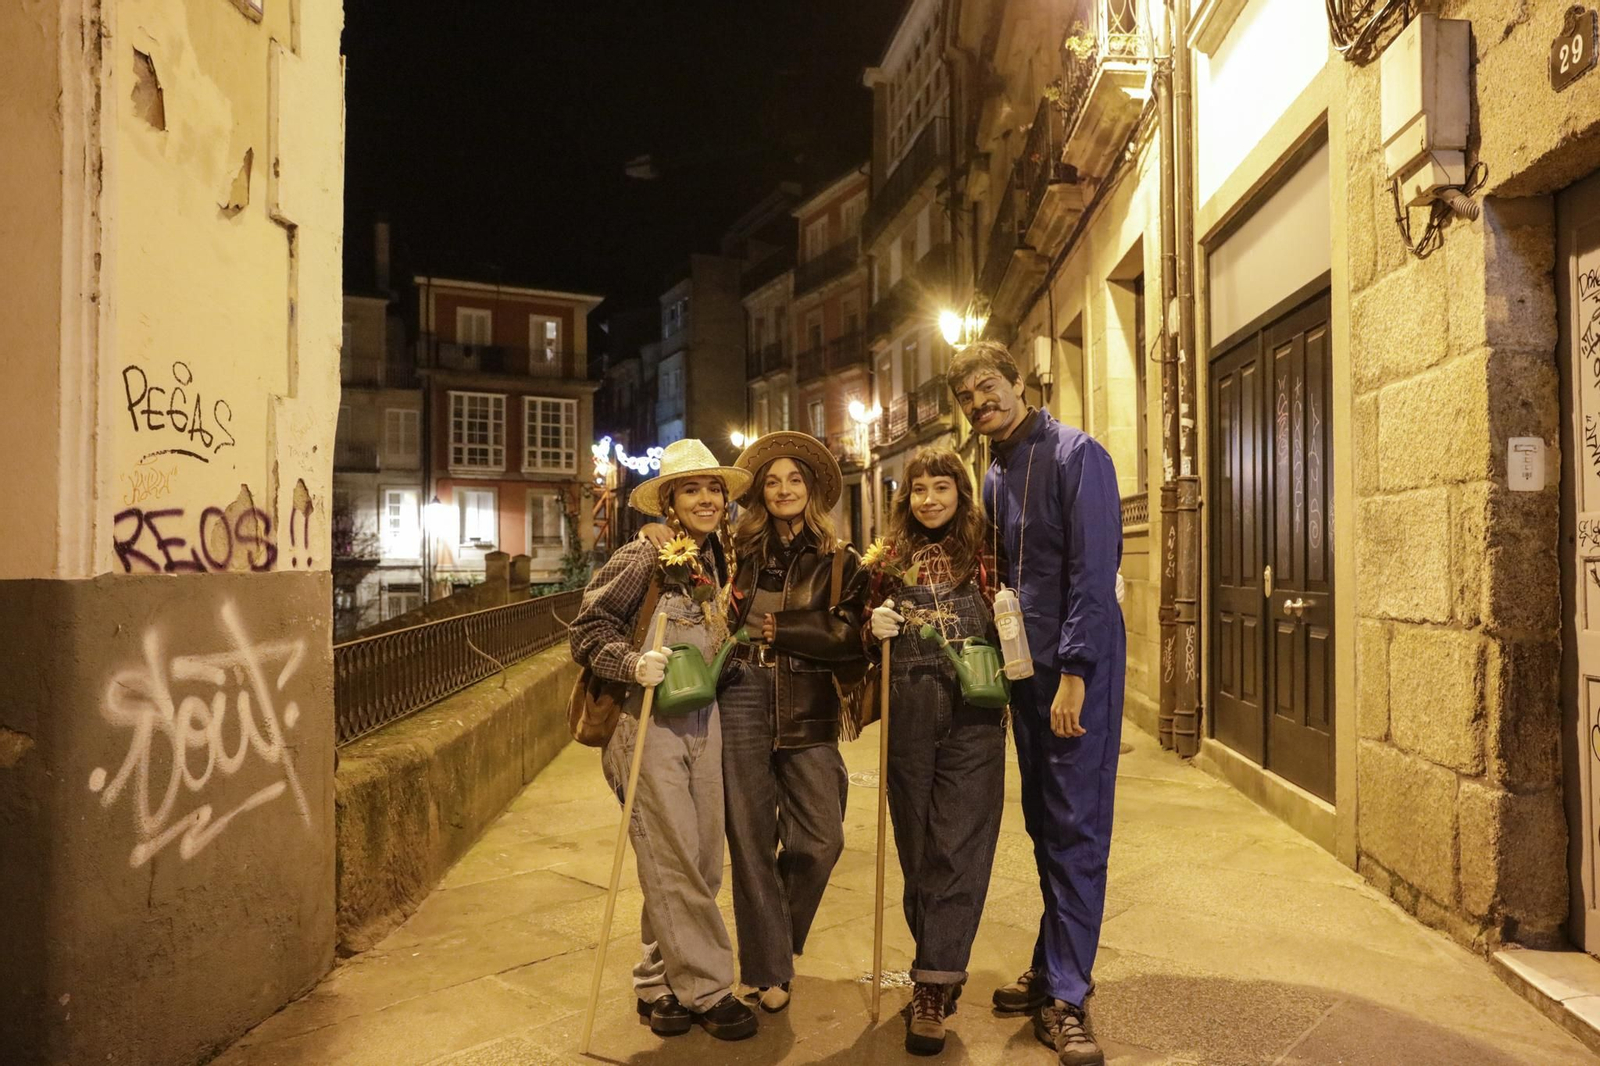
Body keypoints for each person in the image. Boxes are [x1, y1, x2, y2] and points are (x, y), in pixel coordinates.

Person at [645, 432, 868, 1011]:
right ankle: (769, 970)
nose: (784, 489)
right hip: (741, 690)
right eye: (772, 481)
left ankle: (771, 943)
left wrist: (780, 630)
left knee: (822, 837)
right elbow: (680, 558)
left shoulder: (841, 558)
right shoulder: (733, 551)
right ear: (760, 494)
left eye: (795, 479)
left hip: (808, 700)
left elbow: (849, 641)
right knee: (748, 837)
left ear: (813, 488)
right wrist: (652, 532)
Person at [951, 341, 1124, 1066]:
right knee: (1044, 822)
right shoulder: (993, 471)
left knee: (1077, 822)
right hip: (1025, 674)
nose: (979, 402)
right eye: (966, 397)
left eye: (987, 387)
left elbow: (1093, 568)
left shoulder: (1076, 455)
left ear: (1019, 383)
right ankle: (1056, 959)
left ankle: (1067, 995)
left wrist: (1077, 673)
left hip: (1073, 672)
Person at [568, 438, 759, 1042]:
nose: (706, 499)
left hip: (703, 719)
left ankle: (658, 981)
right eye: (692, 490)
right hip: (643, 721)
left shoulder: (715, 559)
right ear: (670, 502)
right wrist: (630, 663)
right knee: (672, 850)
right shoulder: (641, 557)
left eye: (713, 489)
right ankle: (706, 988)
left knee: (698, 858)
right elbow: (587, 628)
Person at [862, 446, 1005, 1056]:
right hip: (909, 713)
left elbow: (1015, 617)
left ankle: (932, 985)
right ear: (906, 498)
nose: (929, 500)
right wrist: (874, 626)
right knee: (919, 851)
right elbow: (859, 632)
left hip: (975, 715)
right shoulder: (887, 560)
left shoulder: (988, 550)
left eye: (940, 487)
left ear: (960, 492)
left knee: (959, 849)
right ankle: (937, 962)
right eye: (919, 489)